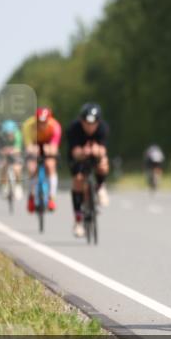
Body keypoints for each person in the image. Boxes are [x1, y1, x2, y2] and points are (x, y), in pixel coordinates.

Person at [66, 102, 110, 238]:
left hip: (95, 155)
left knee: (103, 163)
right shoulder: (74, 128)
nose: (90, 127)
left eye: (93, 124)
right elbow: (74, 151)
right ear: (81, 121)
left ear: (98, 122)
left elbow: (103, 149)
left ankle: (100, 186)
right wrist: (83, 153)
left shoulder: (103, 128)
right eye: (86, 123)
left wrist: (97, 151)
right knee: (78, 180)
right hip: (78, 156)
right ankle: (78, 220)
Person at [22, 107, 62, 212]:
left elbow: (54, 147)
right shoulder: (28, 125)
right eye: (39, 122)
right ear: (35, 120)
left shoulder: (55, 126)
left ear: (49, 120)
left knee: (50, 165)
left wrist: (49, 151)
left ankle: (51, 197)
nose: (42, 125)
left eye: (45, 122)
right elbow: (29, 146)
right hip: (35, 144)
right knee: (32, 167)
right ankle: (31, 195)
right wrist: (33, 151)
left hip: (48, 145)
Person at [0, 119, 24, 200]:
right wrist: (4, 152)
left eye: (11, 133)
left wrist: (11, 150)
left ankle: (18, 187)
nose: (9, 135)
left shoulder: (18, 135)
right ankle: (4, 187)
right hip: (6, 154)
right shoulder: (1, 136)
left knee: (17, 169)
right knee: (3, 167)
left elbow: (18, 149)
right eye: (7, 133)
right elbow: (0, 149)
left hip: (16, 154)